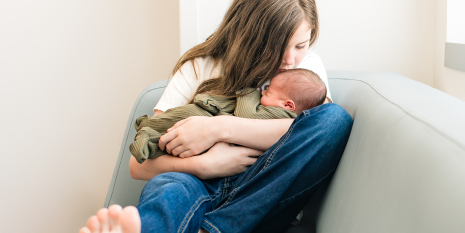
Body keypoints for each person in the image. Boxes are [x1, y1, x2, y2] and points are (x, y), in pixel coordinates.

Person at [53, 0, 353, 233]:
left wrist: (218, 128)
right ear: (252, 33)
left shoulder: (307, 70)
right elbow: (138, 165)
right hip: (196, 188)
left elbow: (315, 129)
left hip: (261, 201)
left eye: (302, 44)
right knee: (168, 190)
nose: (293, 58)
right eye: (283, 45)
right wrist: (205, 163)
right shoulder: (200, 68)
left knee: (335, 119)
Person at [130, 68, 328, 164]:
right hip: (207, 139)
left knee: (176, 132)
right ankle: (149, 129)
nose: (261, 93)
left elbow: (245, 114)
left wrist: (247, 90)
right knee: (180, 125)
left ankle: (148, 133)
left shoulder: (281, 115)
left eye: (267, 91)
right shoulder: (283, 107)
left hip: (224, 158)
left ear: (288, 104)